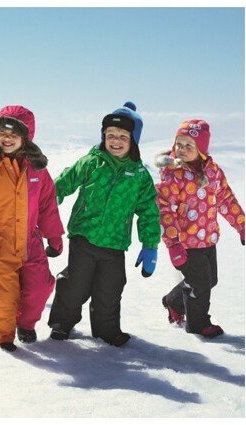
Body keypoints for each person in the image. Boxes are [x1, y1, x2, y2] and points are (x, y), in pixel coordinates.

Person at [47, 102, 161, 347]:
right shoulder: (91, 162)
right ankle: (62, 323)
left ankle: (106, 330)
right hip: (84, 237)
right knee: (75, 285)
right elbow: (62, 184)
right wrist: (44, 209)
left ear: (134, 140)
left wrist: (150, 244)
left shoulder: (140, 175)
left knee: (110, 290)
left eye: (122, 136)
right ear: (103, 137)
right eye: (110, 135)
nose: (116, 141)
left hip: (115, 244)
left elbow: (149, 211)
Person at [0, 105, 64, 352]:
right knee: (2, 298)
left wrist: (54, 235)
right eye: (2, 133)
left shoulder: (37, 168)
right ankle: (2, 338)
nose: (7, 139)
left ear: (26, 138)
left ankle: (26, 324)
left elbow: (48, 204)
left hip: (30, 242)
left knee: (41, 287)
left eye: (14, 135)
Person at [155, 120, 244, 338]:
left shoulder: (213, 172)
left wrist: (241, 224)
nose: (182, 149)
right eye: (179, 144)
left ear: (202, 150)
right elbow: (164, 210)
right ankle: (198, 323)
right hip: (186, 242)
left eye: (189, 145)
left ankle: (173, 301)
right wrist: (173, 244)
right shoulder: (173, 175)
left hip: (208, 238)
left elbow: (226, 199)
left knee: (210, 280)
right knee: (201, 282)